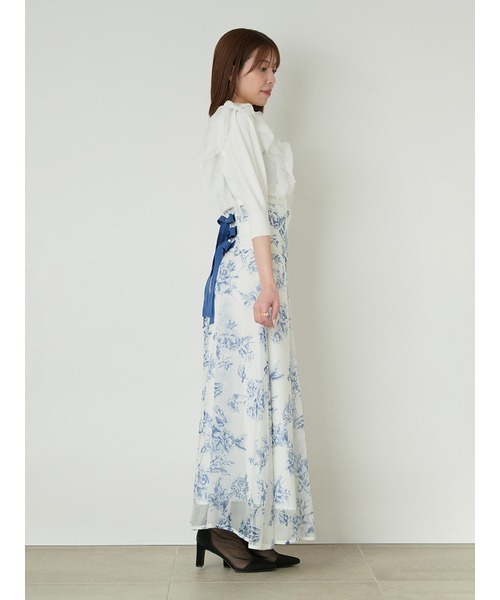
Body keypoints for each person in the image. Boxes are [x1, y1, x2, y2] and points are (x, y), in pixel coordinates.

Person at [191, 28, 315, 573]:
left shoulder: (250, 125)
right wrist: (267, 283)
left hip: (257, 270)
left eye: (274, 69)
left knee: (255, 393)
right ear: (232, 71)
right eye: (260, 68)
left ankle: (249, 528)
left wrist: (271, 277)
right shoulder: (235, 121)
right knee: (250, 394)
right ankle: (227, 529)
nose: (270, 79)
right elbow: (251, 210)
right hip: (250, 273)